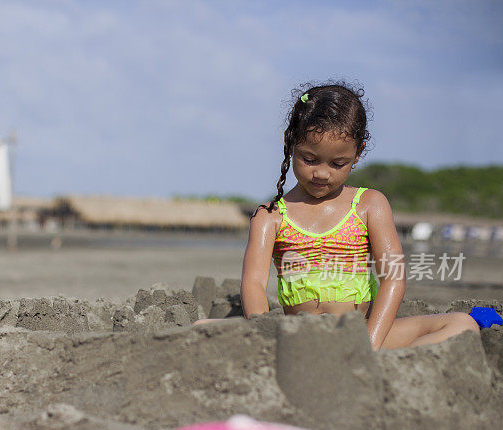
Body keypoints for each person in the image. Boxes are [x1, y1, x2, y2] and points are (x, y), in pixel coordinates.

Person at [197, 81, 479, 350]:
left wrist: (369, 344)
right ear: (291, 144)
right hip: (297, 340)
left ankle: (380, 362)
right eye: (309, 159)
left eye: (337, 163)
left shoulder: (370, 205)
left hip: (362, 335)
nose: (321, 173)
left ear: (357, 155)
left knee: (462, 324)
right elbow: (254, 283)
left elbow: (393, 278)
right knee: (201, 328)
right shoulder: (270, 217)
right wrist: (268, 339)